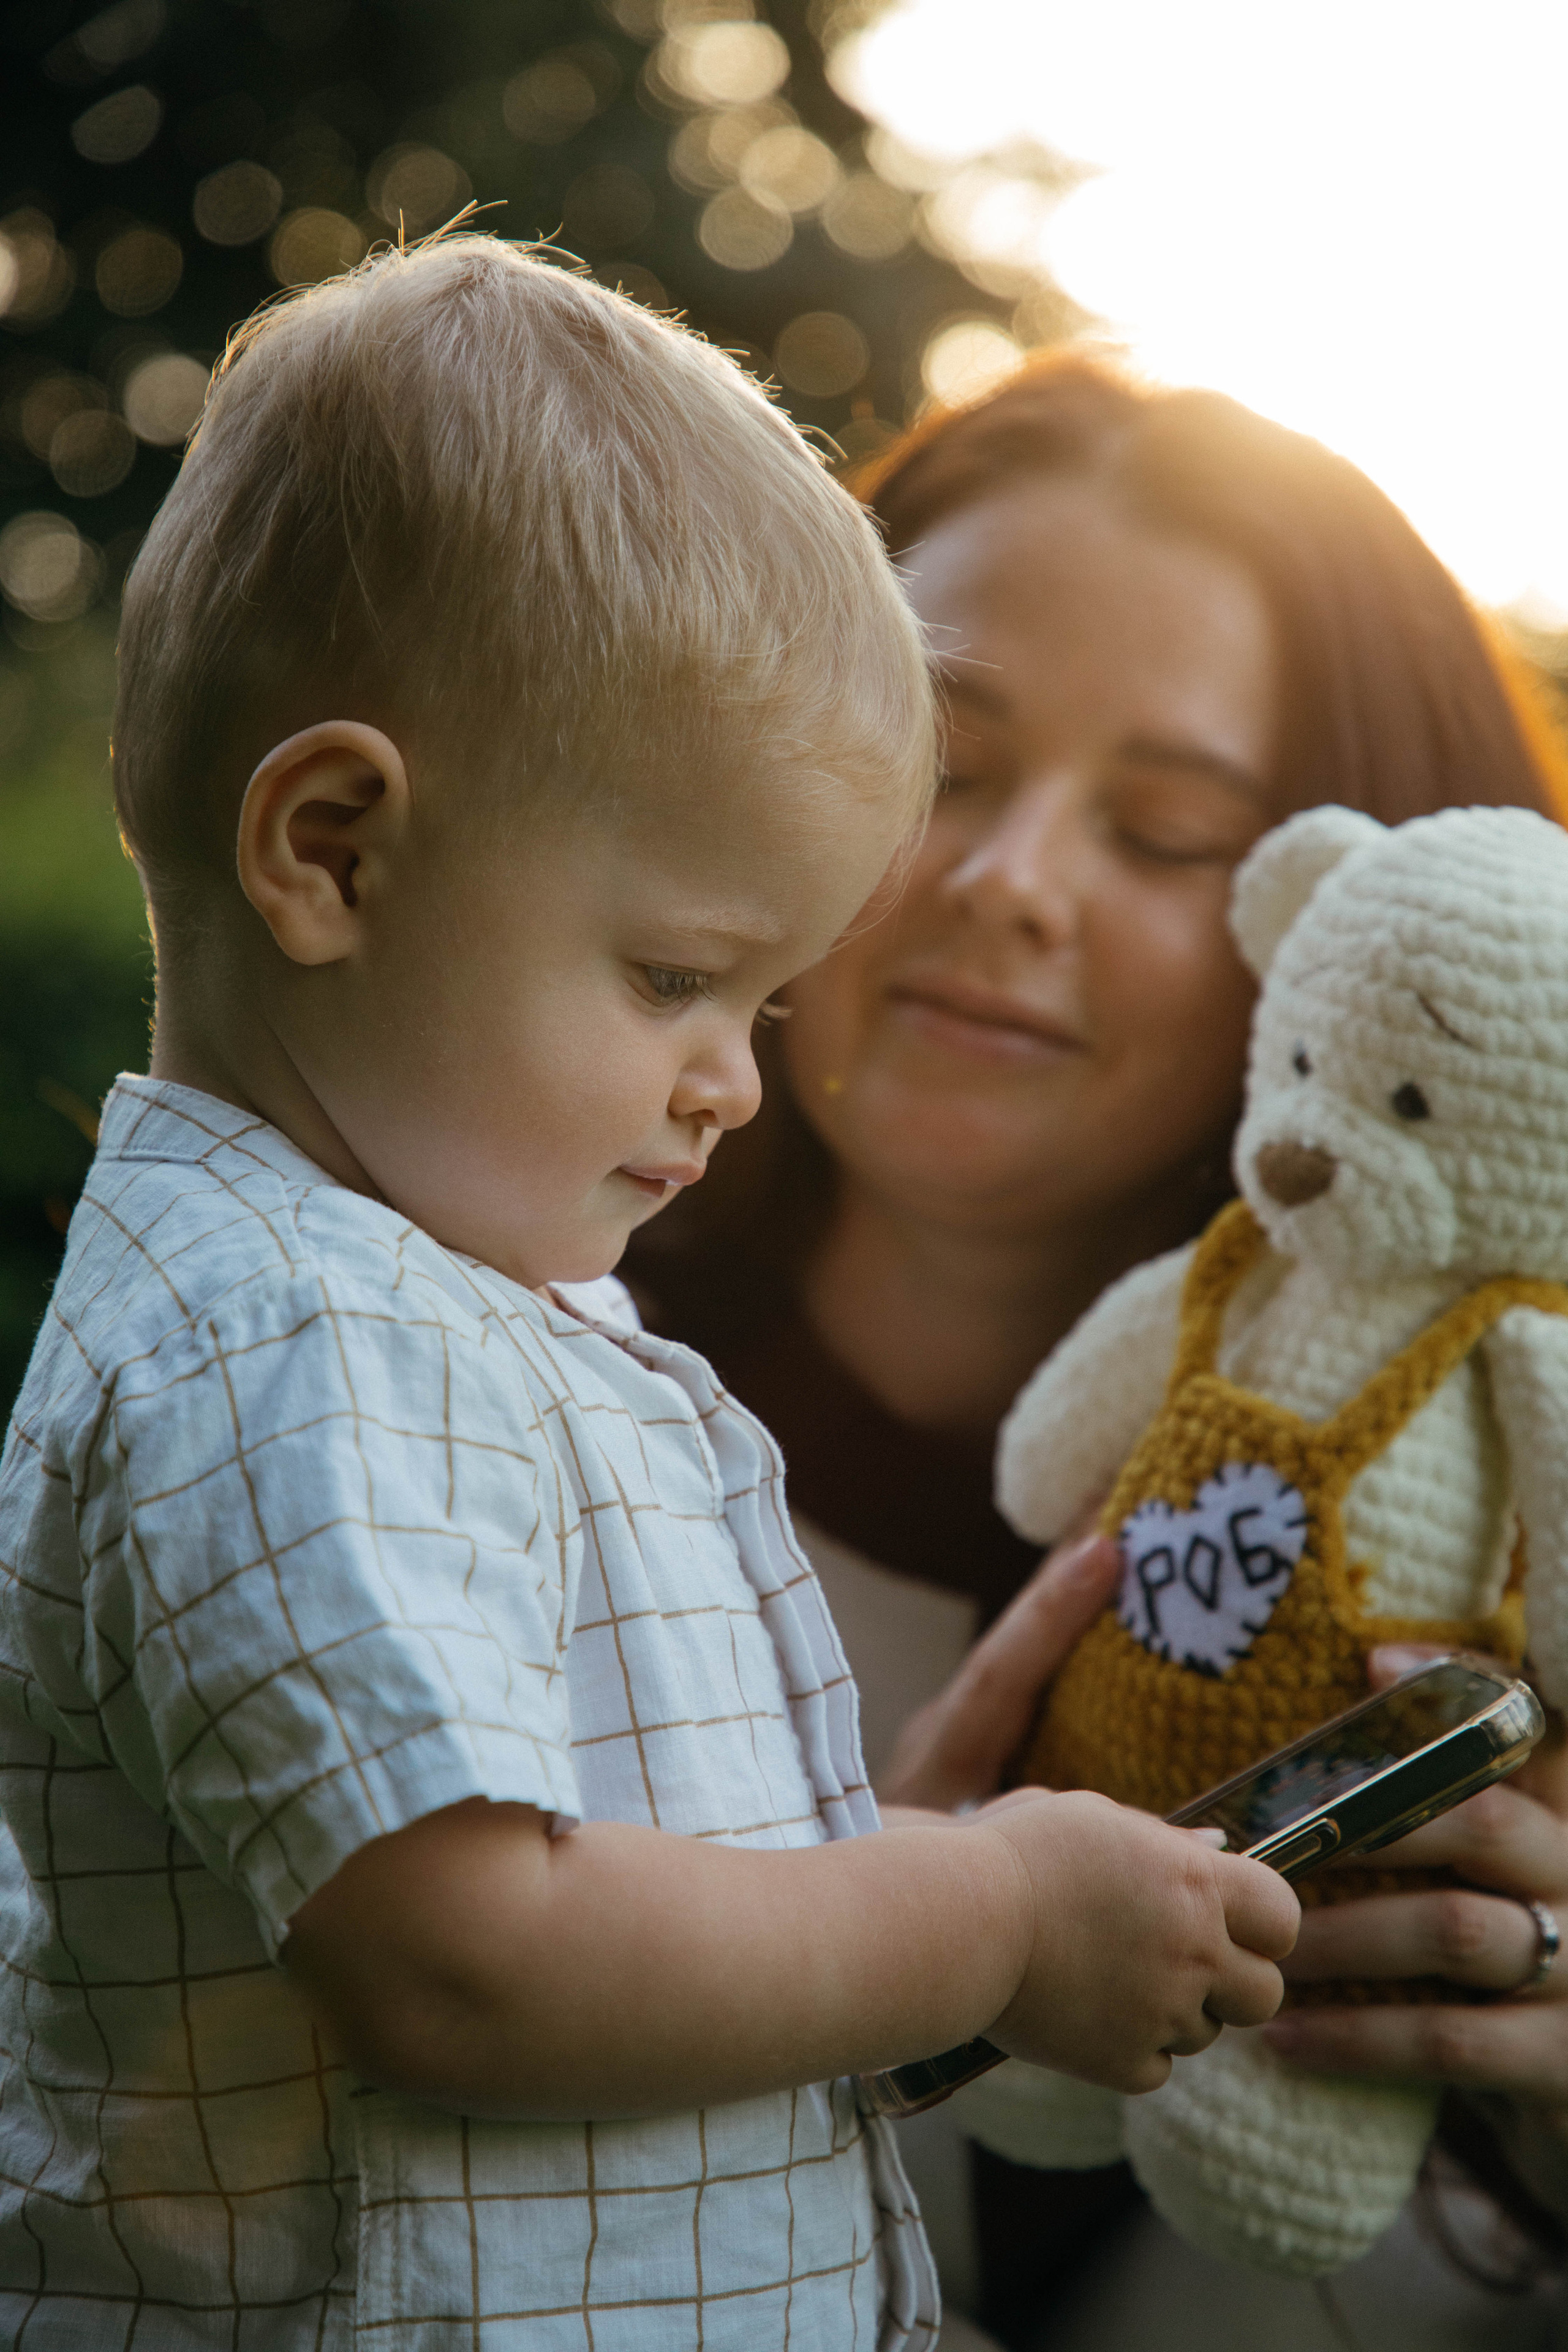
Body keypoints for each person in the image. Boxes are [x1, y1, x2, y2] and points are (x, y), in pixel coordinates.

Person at [0, 247, 1300, 2351]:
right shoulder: (293, 1348)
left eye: (766, 998)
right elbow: (474, 1959)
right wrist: (965, 1917)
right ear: (330, 850)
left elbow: (585, 1901)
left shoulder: (449, 1300)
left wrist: (875, 1878)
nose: (737, 1078)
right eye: (677, 976)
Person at [627, 351, 1568, 2351]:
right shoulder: (451, 1407)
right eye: (943, 759)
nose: (1011, 881)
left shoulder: (1510, 1530)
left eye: (1162, 831)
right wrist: (848, 1973)